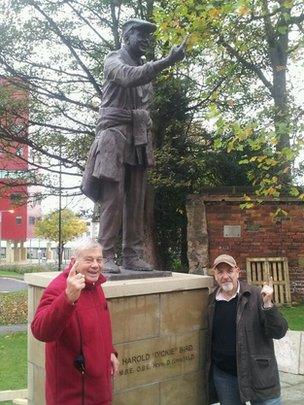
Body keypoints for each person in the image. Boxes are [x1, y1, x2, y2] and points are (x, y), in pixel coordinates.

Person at [81, 19, 186, 273]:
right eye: (141, 36)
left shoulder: (145, 72)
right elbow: (129, 78)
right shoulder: (113, 60)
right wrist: (166, 61)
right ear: (127, 36)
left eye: (149, 38)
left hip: (138, 137)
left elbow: (144, 103)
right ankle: (104, 254)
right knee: (113, 198)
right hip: (114, 135)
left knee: (136, 200)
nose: (146, 41)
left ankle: (132, 255)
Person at [31, 239, 119, 405]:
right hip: (73, 393)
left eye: (99, 260)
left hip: (99, 388)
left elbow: (101, 328)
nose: (95, 265)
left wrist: (109, 351)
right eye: (88, 260)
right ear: (74, 262)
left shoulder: (95, 285)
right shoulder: (59, 287)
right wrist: (67, 299)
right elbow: (40, 331)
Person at [206, 254, 288, 405]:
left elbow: (279, 332)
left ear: (237, 271)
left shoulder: (256, 295)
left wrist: (268, 305)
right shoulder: (211, 301)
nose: (225, 276)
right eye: (220, 272)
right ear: (214, 274)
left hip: (259, 373)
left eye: (229, 271)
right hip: (225, 375)